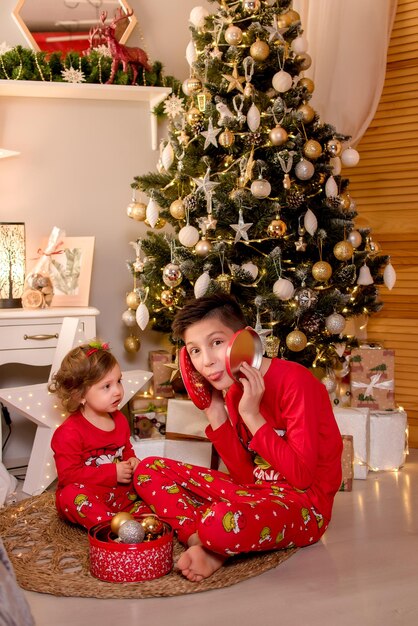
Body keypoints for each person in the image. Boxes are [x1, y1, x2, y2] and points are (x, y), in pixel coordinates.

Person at [134, 294, 343, 582]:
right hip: (255, 494)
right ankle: (200, 540)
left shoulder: (297, 383)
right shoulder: (232, 389)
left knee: (220, 520)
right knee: (148, 470)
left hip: (305, 507)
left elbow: (302, 477)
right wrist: (215, 412)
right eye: (194, 351)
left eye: (216, 343)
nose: (206, 362)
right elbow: (246, 479)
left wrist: (252, 415)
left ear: (244, 341)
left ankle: (214, 540)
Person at [49, 340, 150, 530]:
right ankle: (111, 526)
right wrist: (112, 472)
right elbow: (68, 476)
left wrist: (132, 462)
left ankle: (147, 515)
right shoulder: (68, 433)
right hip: (89, 494)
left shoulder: (118, 419)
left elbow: (126, 449)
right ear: (80, 395)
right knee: (70, 495)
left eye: (119, 381)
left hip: (119, 494)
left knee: (149, 474)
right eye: (107, 386)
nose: (118, 392)